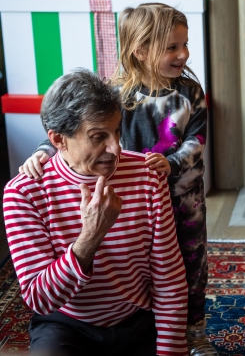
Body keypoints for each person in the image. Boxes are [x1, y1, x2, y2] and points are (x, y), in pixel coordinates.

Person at [19, 3, 215, 356]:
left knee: (189, 266)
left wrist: (169, 165)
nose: (183, 54)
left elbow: (197, 140)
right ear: (140, 50)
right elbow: (73, 127)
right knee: (129, 258)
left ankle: (192, 331)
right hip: (129, 193)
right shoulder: (116, 96)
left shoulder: (190, 93)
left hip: (178, 195)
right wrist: (42, 152)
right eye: (172, 47)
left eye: (185, 45)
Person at [4, 69, 188, 355]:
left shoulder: (147, 175)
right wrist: (90, 236)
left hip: (136, 320)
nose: (116, 148)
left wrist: (170, 352)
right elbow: (39, 299)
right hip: (67, 325)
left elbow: (169, 278)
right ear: (58, 140)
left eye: (117, 131)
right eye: (98, 136)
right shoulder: (24, 193)